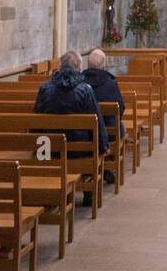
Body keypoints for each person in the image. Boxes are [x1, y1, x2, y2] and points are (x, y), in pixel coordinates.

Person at [34, 51, 108, 206]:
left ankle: (50, 195)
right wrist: (103, 146)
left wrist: (38, 151)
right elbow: (96, 122)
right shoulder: (85, 90)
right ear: (79, 68)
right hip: (78, 151)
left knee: (49, 138)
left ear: (60, 67)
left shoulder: (45, 89)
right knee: (88, 139)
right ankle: (89, 193)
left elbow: (37, 122)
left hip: (51, 150)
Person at [83, 48, 125, 184]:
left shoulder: (80, 84)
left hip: (84, 134)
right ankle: (106, 168)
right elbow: (121, 109)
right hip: (107, 133)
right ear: (103, 65)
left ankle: (102, 169)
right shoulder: (111, 84)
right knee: (119, 125)